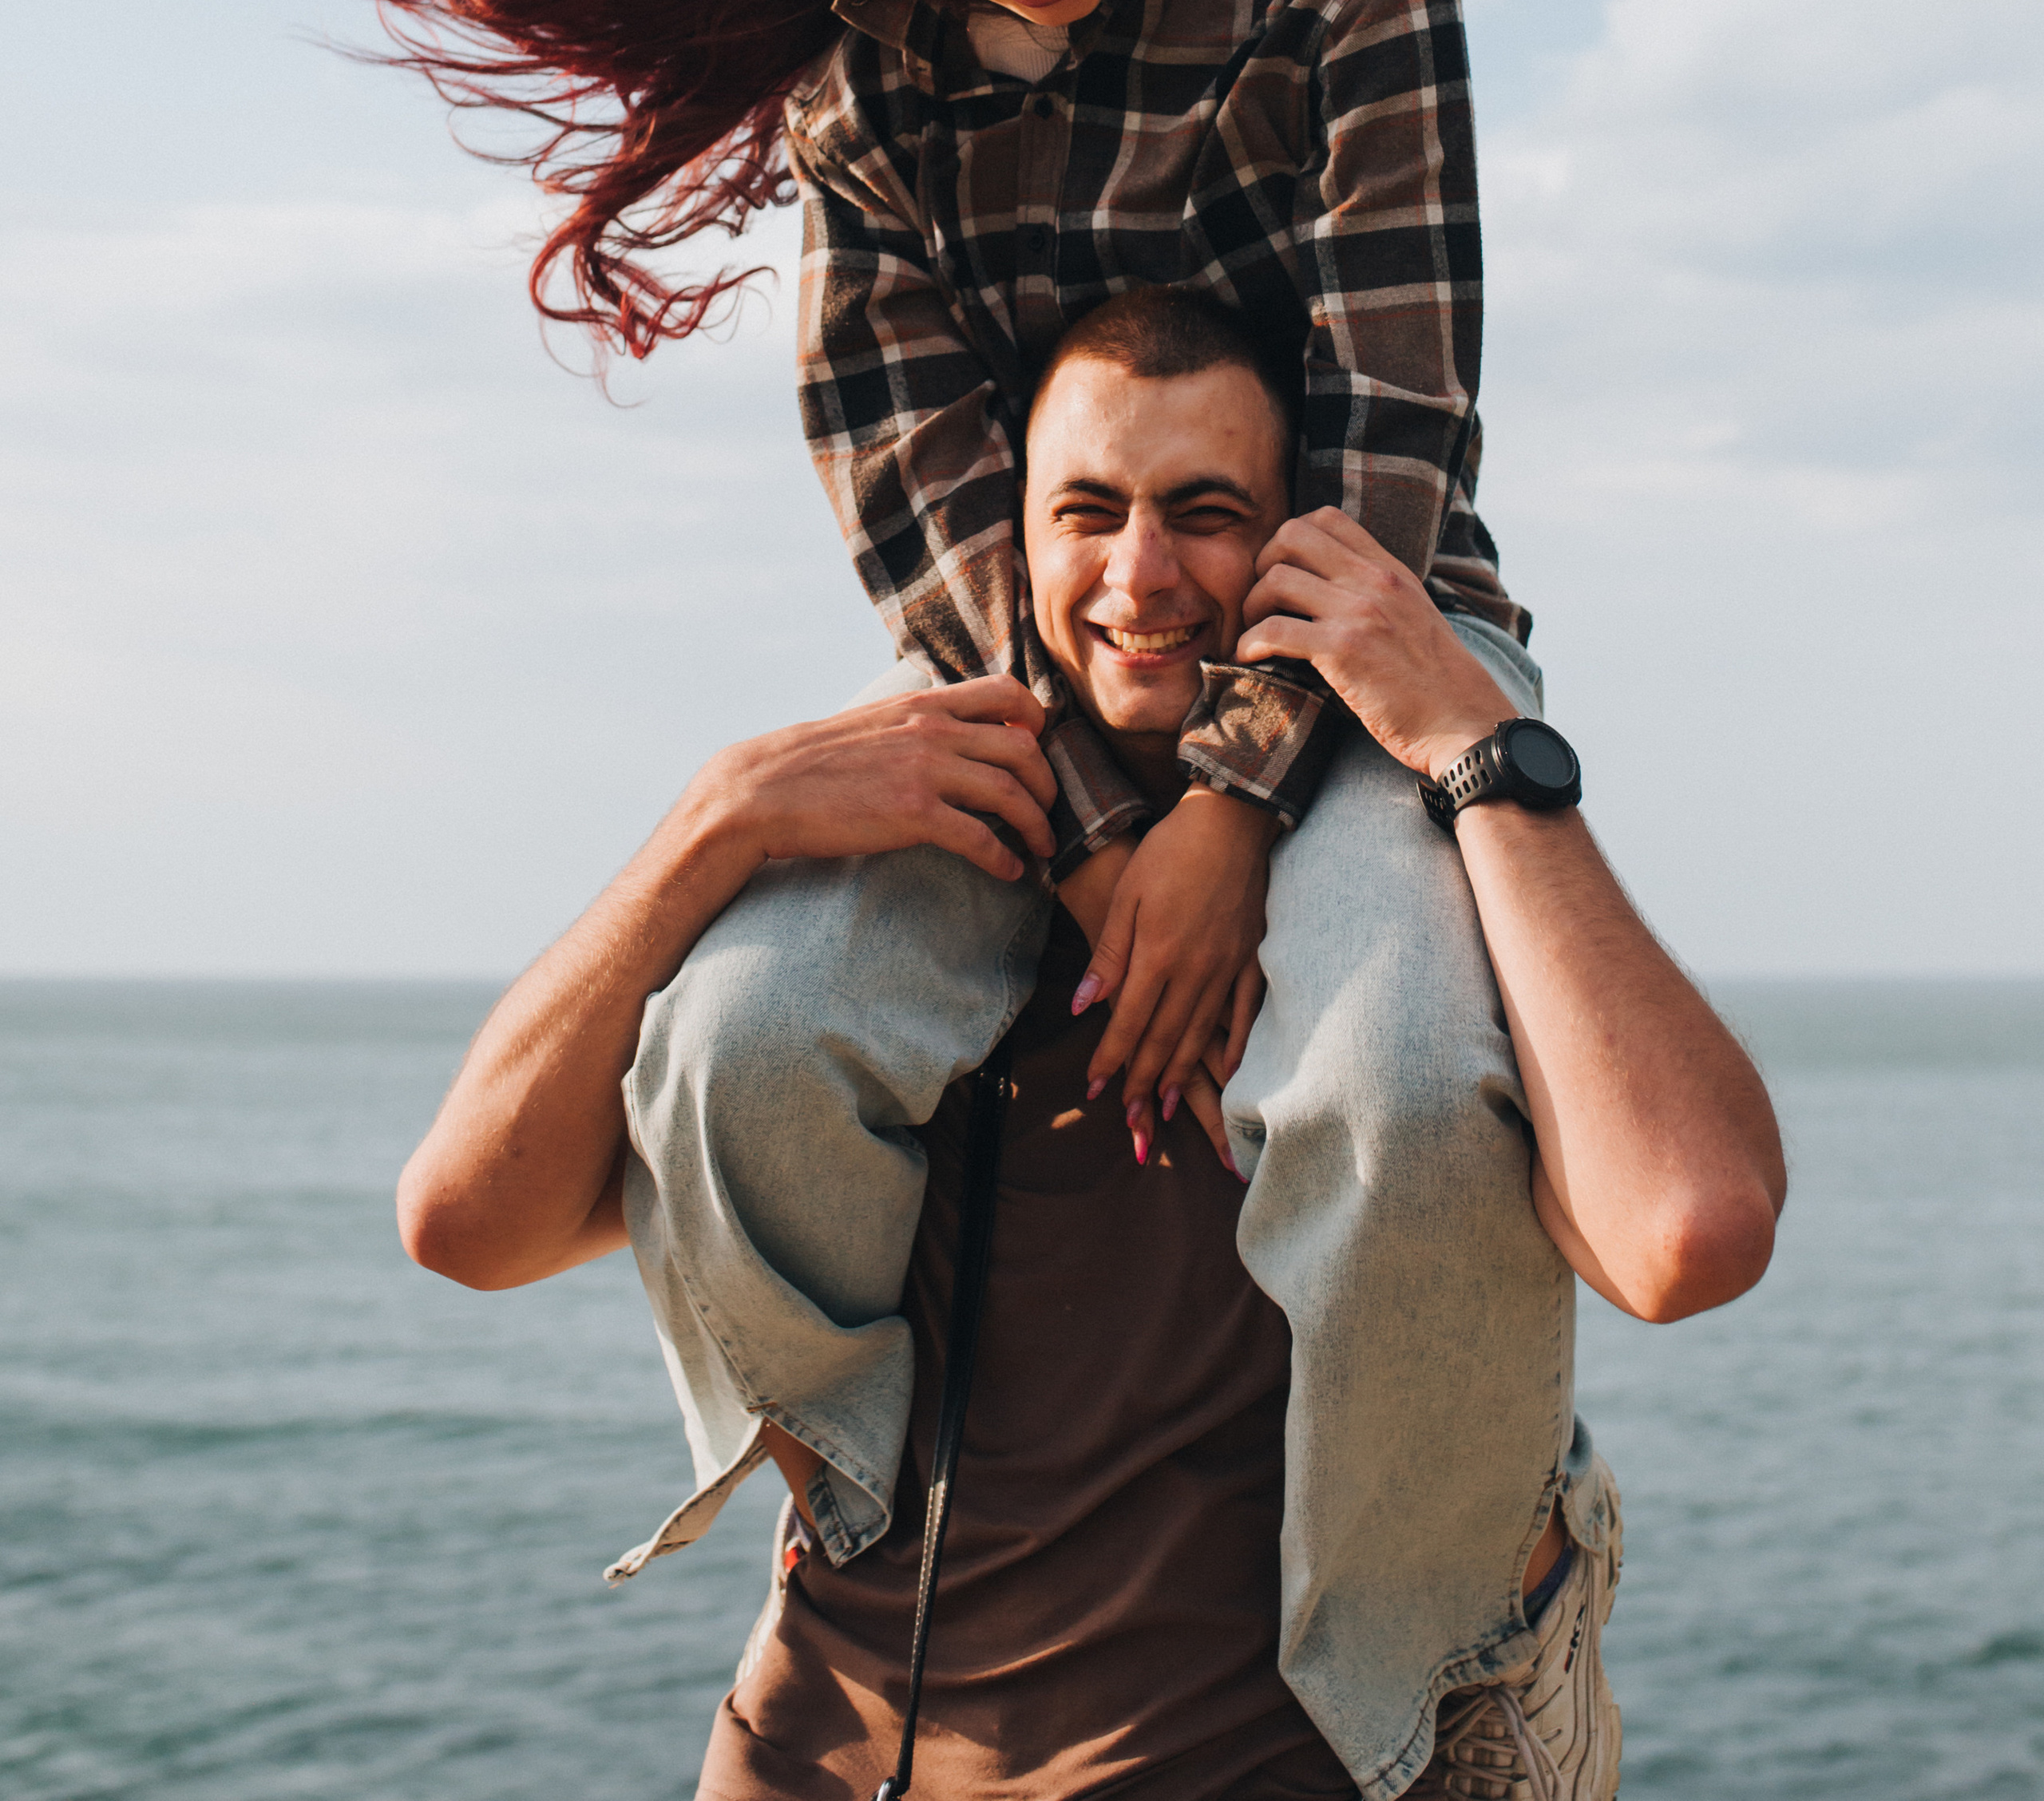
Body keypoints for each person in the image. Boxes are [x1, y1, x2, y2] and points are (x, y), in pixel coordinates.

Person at [342, 0, 1662, 1775]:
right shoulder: (869, 61)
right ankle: (844, 1494)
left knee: (1412, 1086)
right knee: (743, 1042)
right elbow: (904, 468)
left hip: (1358, 626)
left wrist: (1235, 807)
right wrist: (1079, 820)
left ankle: (1414, 1637)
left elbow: (1398, 432)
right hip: (1035, 658)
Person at [398, 288, 1785, 1800]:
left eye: (1208, 513)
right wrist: (707, 826)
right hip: (834, 1750)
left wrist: (1473, 740)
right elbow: (467, 1223)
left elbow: (1687, 1232)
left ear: (1302, 533)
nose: (1141, 574)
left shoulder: (1418, 886)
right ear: (1014, 538)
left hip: (1320, 1760)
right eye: (1087, 512)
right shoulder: (881, 909)